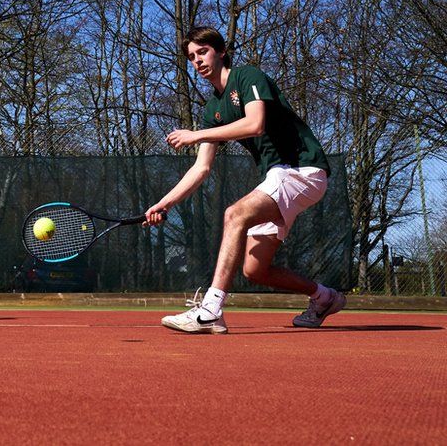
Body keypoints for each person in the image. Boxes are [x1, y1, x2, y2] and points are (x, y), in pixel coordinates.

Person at [145, 26, 345, 334]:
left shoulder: (247, 76)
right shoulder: (212, 109)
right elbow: (201, 168)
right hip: (279, 176)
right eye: (191, 57)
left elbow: (255, 124)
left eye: (203, 52)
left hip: (303, 169)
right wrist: (163, 203)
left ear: (220, 52)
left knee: (234, 214)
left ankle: (211, 309)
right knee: (255, 269)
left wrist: (196, 135)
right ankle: (324, 297)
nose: (197, 61)